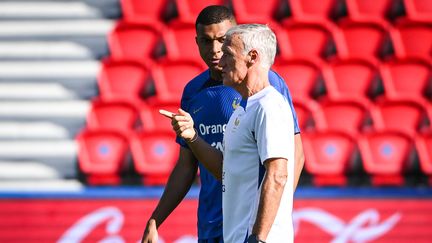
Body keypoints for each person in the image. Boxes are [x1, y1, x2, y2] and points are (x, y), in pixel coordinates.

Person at [141, 6, 304, 243]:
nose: (216, 51)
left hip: (255, 228)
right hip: (215, 224)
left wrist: (271, 215)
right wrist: (156, 219)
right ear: (196, 42)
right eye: (207, 42)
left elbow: (293, 156)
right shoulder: (194, 92)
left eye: (223, 42)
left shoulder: (268, 92)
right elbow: (194, 167)